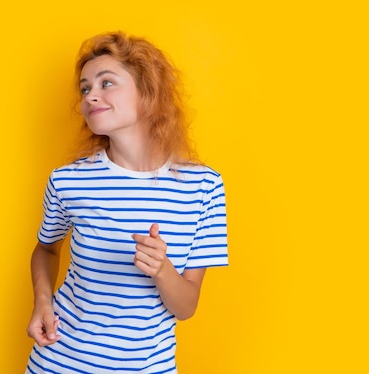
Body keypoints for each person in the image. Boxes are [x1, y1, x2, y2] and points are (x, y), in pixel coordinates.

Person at [25, 31, 228, 373]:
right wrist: (42, 301)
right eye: (86, 88)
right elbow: (46, 248)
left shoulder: (203, 186)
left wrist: (162, 270)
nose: (91, 96)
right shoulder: (68, 180)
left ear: (147, 93)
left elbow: (186, 307)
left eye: (107, 83)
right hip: (60, 362)